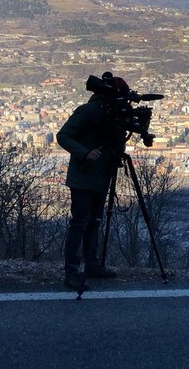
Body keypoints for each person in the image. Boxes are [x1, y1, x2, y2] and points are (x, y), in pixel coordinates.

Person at [56, 72, 126, 291]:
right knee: (80, 222)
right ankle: (72, 271)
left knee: (94, 220)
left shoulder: (108, 115)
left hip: (100, 174)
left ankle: (92, 263)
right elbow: (63, 135)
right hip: (84, 174)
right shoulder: (87, 112)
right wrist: (84, 153)